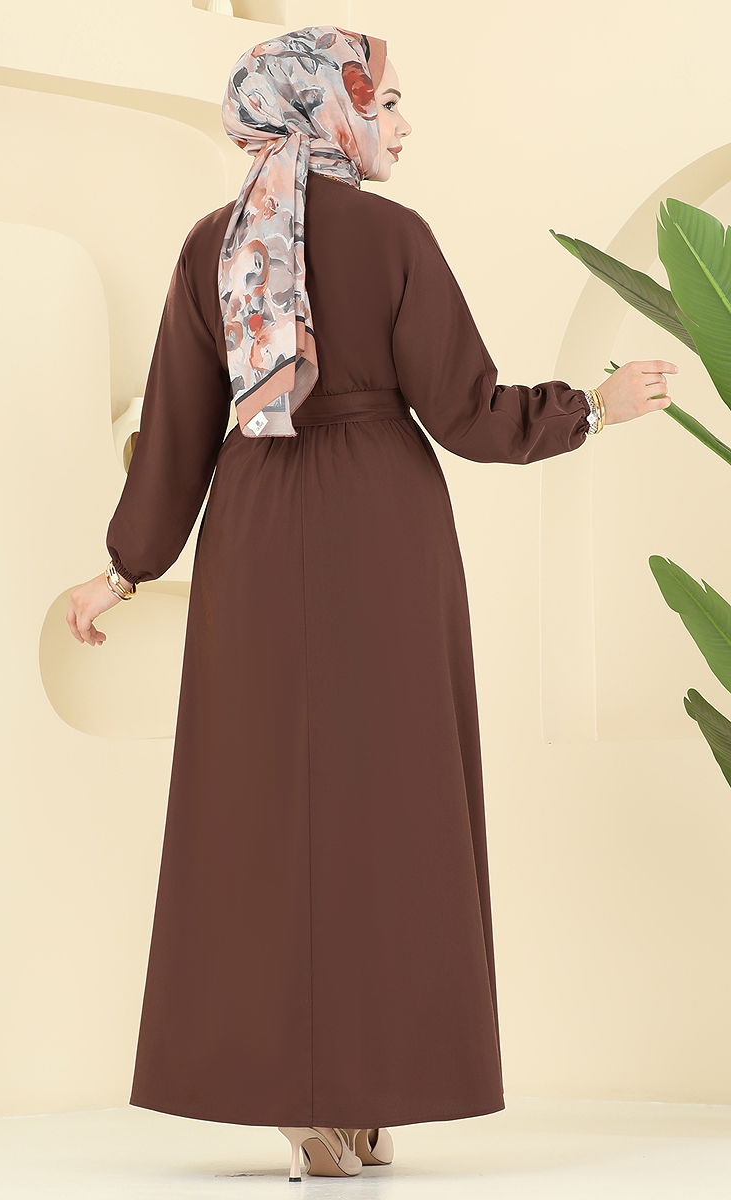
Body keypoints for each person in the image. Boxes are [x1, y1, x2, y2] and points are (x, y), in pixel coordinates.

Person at [66, 25, 677, 1183]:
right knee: (390, 807)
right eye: (385, 103)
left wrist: (126, 568)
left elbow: (179, 430)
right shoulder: (393, 238)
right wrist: (592, 406)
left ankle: (303, 1103)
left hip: (255, 532)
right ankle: (357, 1092)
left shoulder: (212, 246)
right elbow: (465, 412)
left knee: (259, 810)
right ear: (328, 111)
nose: (400, 125)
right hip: (380, 532)